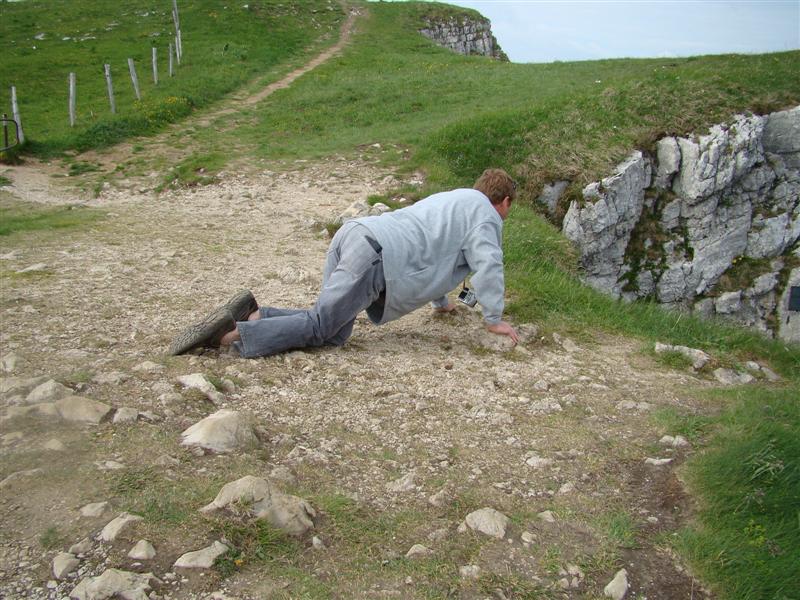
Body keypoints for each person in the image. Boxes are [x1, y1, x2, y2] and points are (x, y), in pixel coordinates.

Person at [168, 167, 519, 357]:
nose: (505, 216)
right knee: (322, 326)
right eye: (508, 208)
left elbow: (432, 248)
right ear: (502, 201)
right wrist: (493, 320)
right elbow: (489, 265)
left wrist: (442, 304)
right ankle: (226, 337)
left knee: (335, 331)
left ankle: (254, 314)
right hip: (376, 257)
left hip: (354, 234)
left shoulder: (454, 198)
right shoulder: (486, 216)